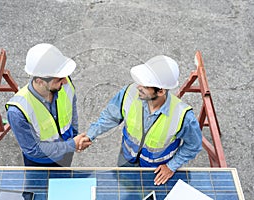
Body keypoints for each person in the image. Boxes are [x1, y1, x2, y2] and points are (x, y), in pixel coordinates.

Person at [79, 55, 202, 185]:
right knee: (124, 189)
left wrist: (171, 166)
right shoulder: (129, 93)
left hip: (156, 171)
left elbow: (193, 145)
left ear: (160, 91)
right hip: (126, 159)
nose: (138, 87)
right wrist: (91, 134)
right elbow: (110, 116)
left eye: (145, 85)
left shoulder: (183, 116)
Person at [6, 43, 90, 167]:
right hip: (41, 163)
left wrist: (76, 138)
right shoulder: (17, 112)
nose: (65, 81)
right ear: (39, 81)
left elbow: (72, 112)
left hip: (66, 155)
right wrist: (72, 144)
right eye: (59, 79)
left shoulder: (65, 84)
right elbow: (33, 150)